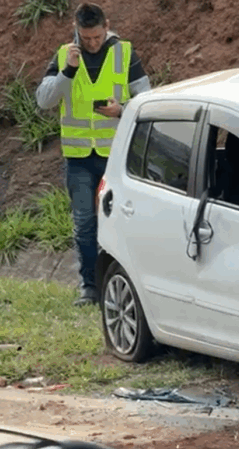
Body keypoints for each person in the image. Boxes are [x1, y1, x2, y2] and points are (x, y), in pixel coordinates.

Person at [36, 3, 151, 306]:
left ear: (106, 26)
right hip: (78, 159)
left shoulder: (124, 53)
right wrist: (68, 72)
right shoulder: (64, 56)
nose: (92, 43)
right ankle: (90, 287)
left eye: (97, 37)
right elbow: (44, 100)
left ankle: (126, 286)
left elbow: (147, 101)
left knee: (119, 223)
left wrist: (121, 111)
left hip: (116, 158)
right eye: (86, 38)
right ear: (76, 30)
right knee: (85, 222)